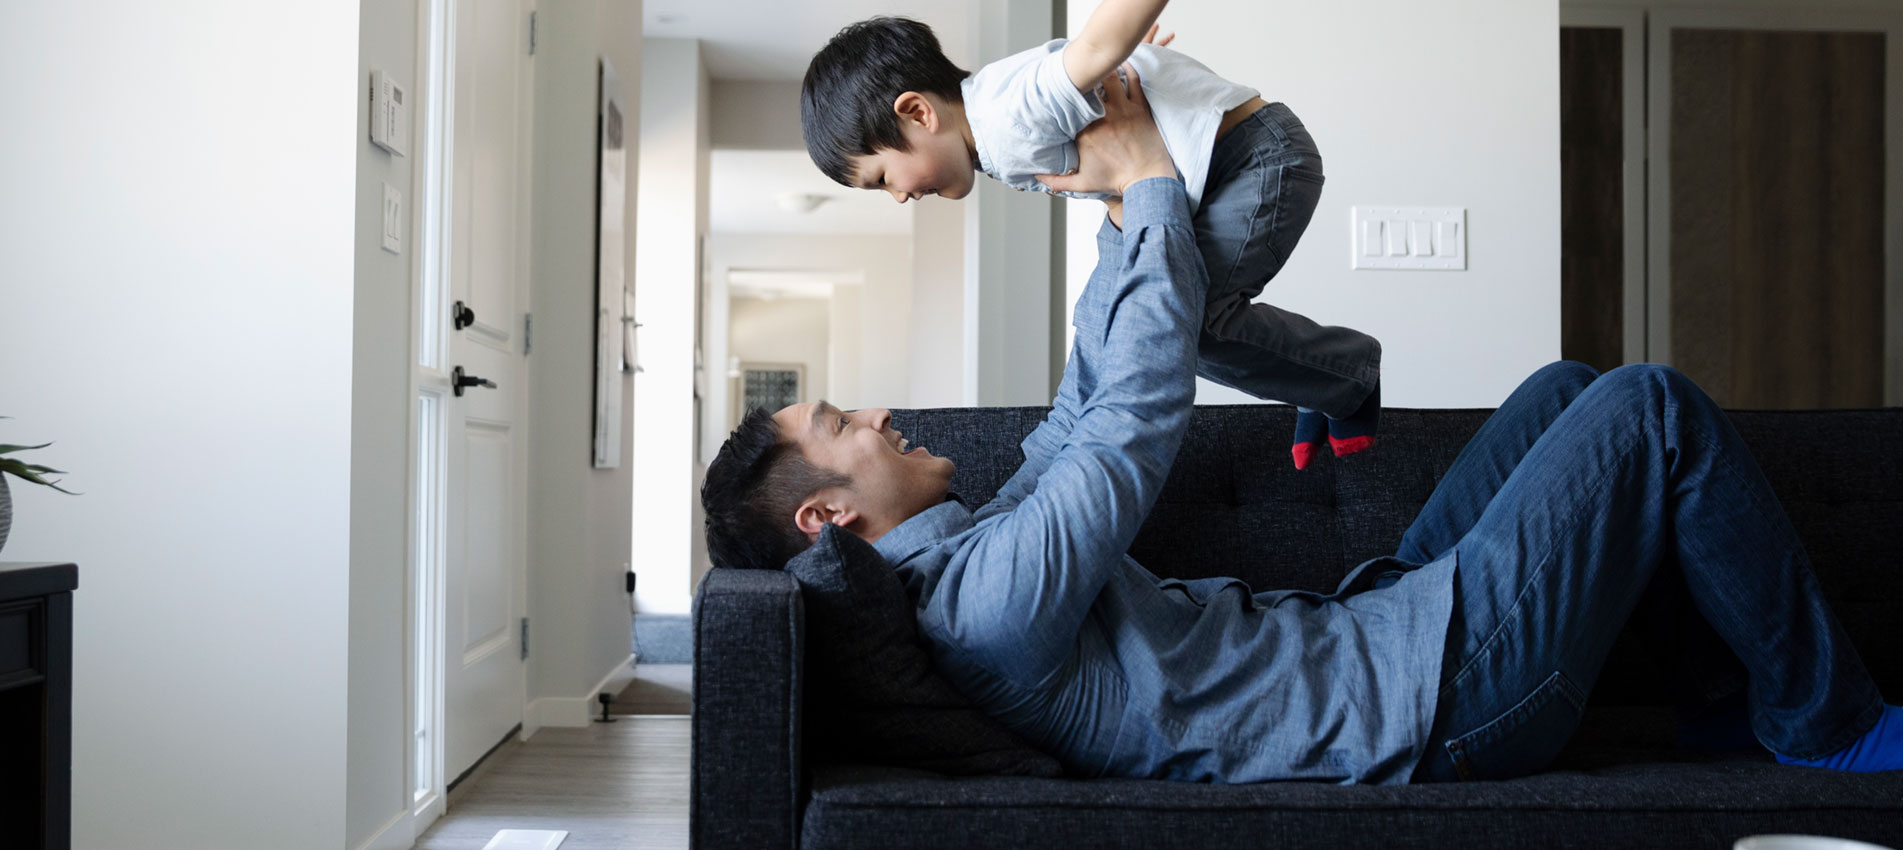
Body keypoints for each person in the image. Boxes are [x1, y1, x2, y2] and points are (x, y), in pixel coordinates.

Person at [705, 67, 1902, 784]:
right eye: (842, 421)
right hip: (1437, 700)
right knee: (1647, 407)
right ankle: (1825, 721)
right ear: (828, 514)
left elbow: (1078, 402)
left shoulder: (976, 547)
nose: (879, 412)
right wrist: (1156, 184)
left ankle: (1715, 695)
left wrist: (1121, 210)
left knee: (1564, 388)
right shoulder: (983, 603)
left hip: (1379, 629)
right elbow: (1129, 422)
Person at [799, 7, 1379, 470]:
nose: (899, 197)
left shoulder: (1007, 117)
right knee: (1131, 320)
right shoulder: (994, 116)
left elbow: (1097, 45)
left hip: (1254, 162)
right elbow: (1090, 75)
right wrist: (1125, 70)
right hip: (1218, 171)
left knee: (1180, 325)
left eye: (883, 178)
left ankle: (1346, 377)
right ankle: (1323, 382)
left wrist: (1115, 48)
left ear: (917, 113)